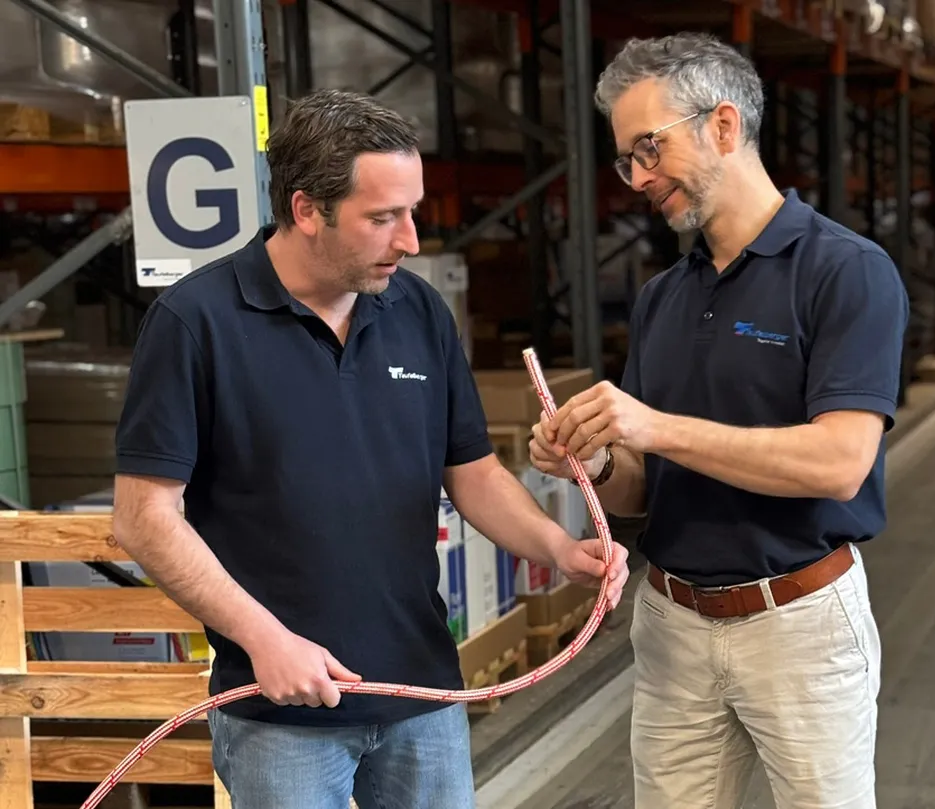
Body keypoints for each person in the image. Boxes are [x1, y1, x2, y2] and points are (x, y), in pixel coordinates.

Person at [111, 88, 628, 809]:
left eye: (411, 212)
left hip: (422, 693)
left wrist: (555, 546)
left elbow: (472, 470)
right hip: (279, 712)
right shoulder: (196, 323)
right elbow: (144, 519)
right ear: (305, 211)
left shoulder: (418, 311)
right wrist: (267, 640)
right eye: (383, 218)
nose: (411, 240)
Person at [529, 33, 908, 809]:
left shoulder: (844, 272)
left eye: (649, 149)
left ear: (724, 127)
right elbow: (644, 487)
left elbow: (839, 461)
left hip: (797, 622)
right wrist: (595, 459)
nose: (638, 178)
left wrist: (654, 426)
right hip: (672, 625)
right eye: (625, 160)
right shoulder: (664, 297)